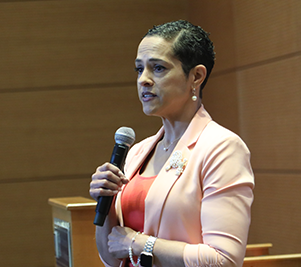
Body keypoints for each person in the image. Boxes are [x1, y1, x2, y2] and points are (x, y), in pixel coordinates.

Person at [89, 20, 254, 267]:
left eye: (158, 68)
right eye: (138, 69)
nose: (143, 80)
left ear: (196, 76)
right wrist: (107, 199)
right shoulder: (137, 152)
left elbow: (224, 261)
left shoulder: (222, 148)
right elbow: (111, 256)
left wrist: (139, 244)